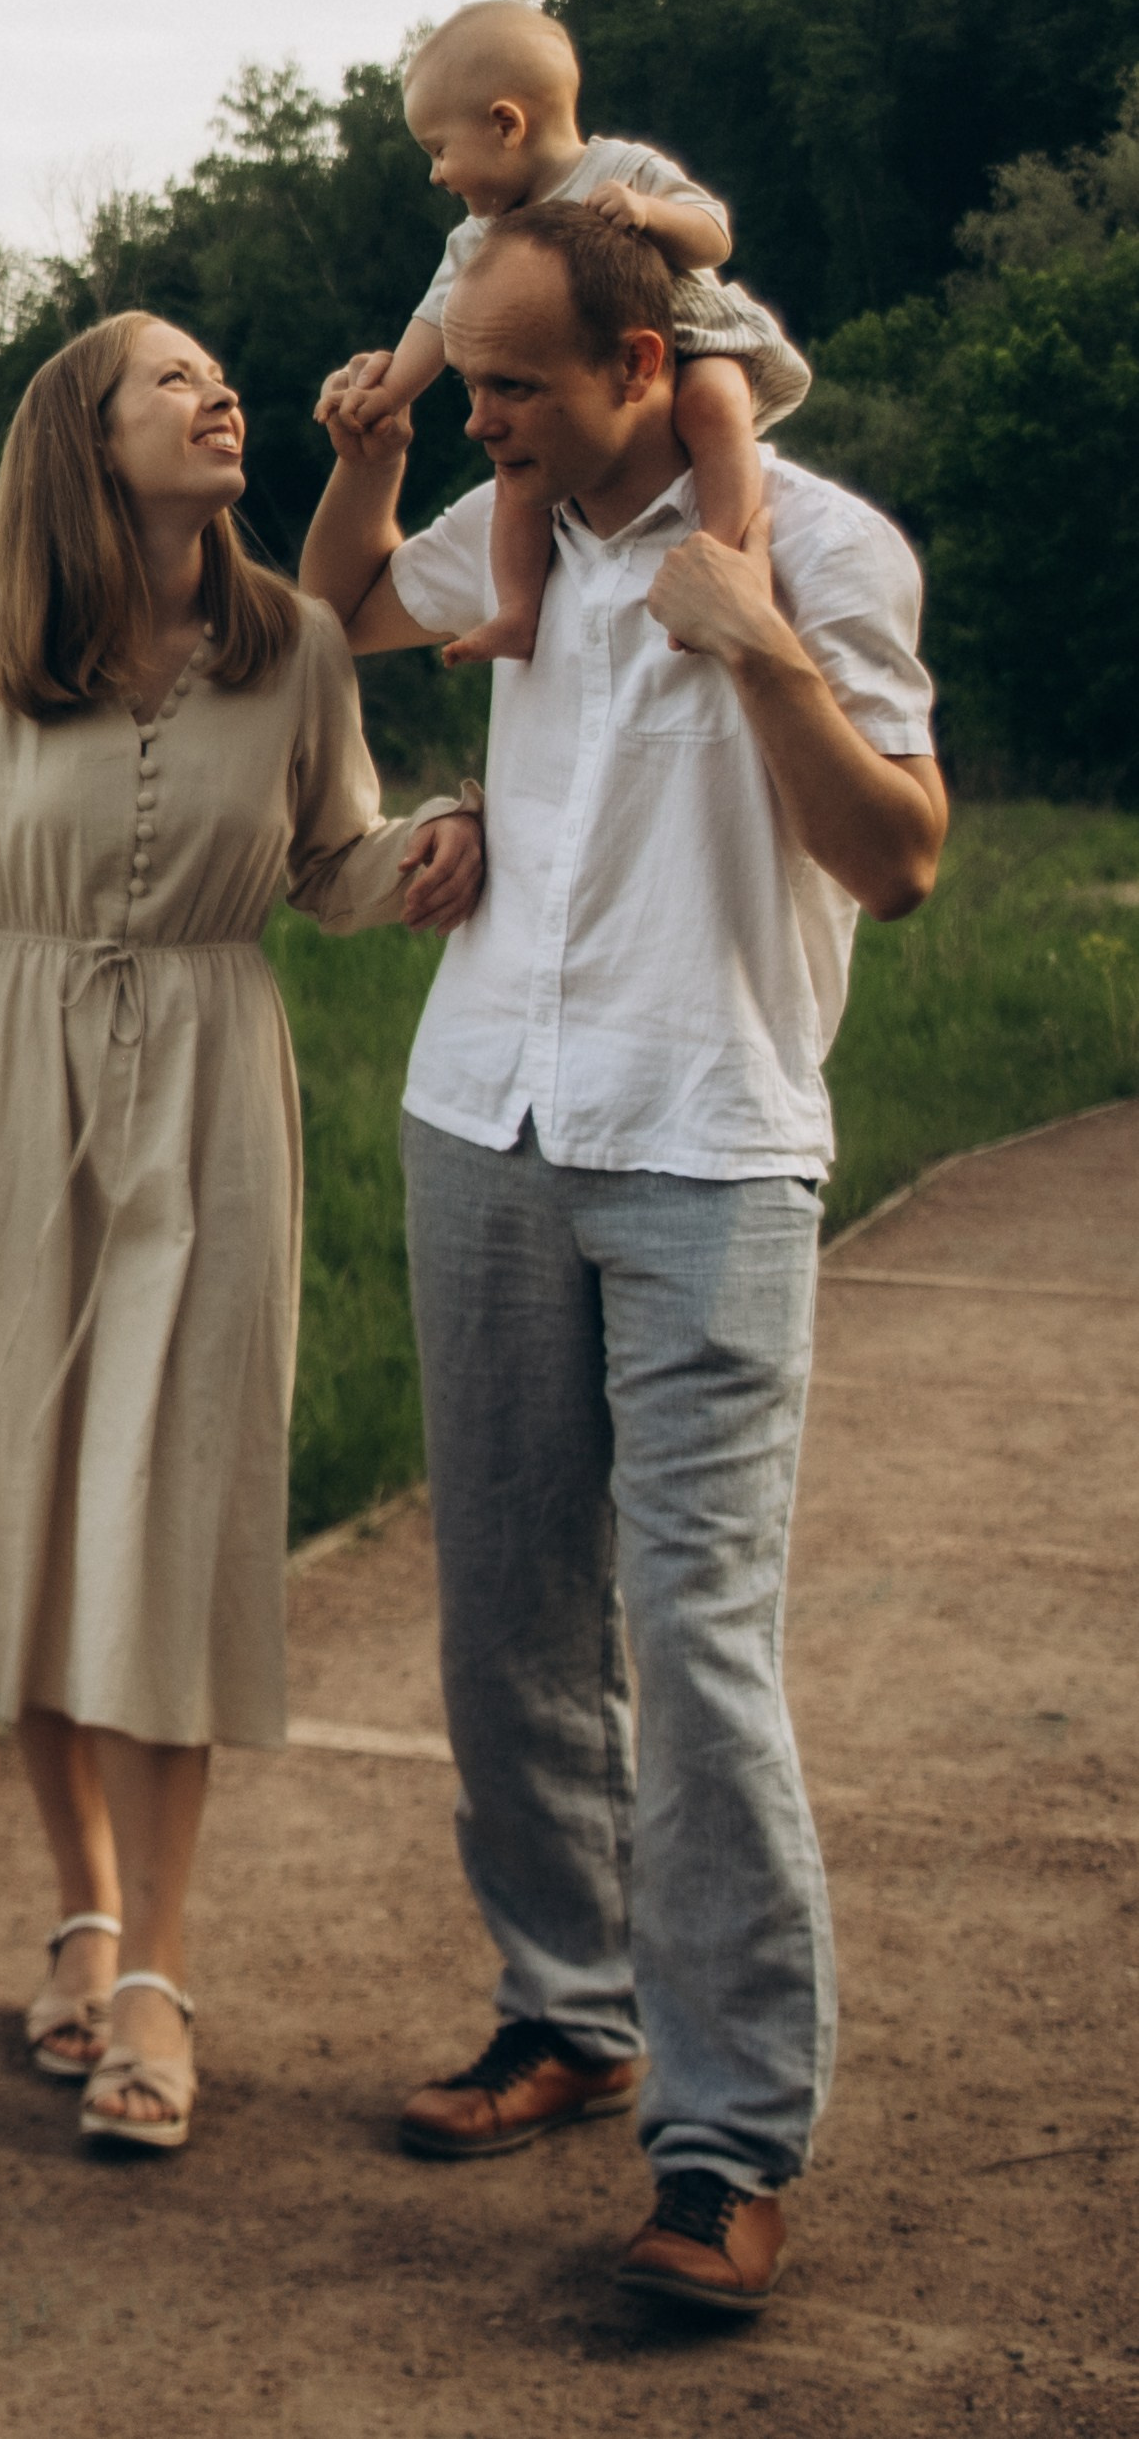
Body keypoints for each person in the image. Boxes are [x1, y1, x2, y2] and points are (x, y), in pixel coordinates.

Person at [0, 312, 483, 2158]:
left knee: (166, 1510)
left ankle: (161, 1970)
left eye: (227, 378)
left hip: (213, 1096)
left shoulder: (296, 642)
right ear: (87, 437)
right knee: (39, 1513)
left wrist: (440, 852)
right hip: (15, 1087)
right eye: (177, 379)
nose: (222, 396)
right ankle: (80, 1910)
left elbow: (331, 860)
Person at [299, 200, 944, 2317]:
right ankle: (564, 2009)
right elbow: (328, 615)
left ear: (642, 367)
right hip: (480, 1109)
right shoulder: (511, 530)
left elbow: (897, 857)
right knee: (499, 1616)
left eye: (510, 383)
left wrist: (752, 638)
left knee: (698, 1651)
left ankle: (725, 2141)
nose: (479, 411)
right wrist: (385, 444)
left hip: (703, 1145)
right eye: (463, 376)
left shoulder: (825, 549)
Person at [315, 0, 810, 668]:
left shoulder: (622, 169)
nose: (435, 174)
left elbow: (712, 232)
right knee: (519, 492)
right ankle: (518, 611)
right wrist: (387, 396)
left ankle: (724, 557)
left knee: (713, 402)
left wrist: (647, 213)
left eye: (438, 151)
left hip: (696, 336)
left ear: (504, 124)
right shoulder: (477, 237)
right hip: (617, 379)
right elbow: (433, 319)